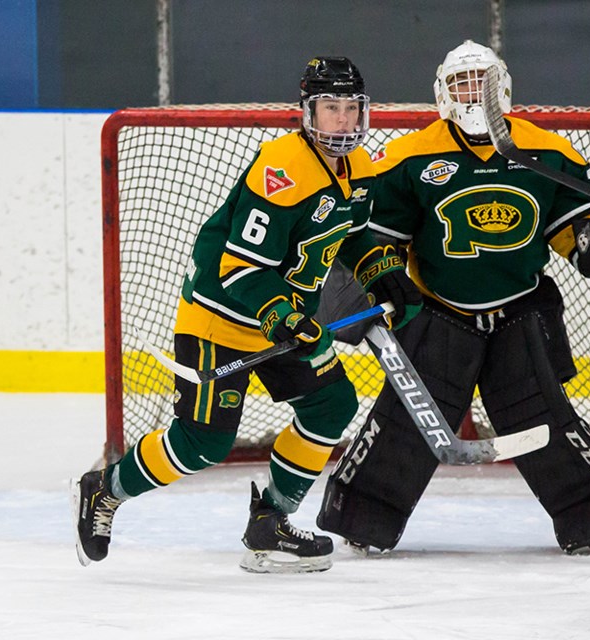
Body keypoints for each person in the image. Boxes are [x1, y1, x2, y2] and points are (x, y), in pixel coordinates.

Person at [315, 40, 590, 555]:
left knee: (542, 420)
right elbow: (377, 236)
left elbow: (574, 235)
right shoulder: (409, 155)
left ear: (502, 88)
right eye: (460, 83)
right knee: (407, 422)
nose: (470, 94)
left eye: (480, 82)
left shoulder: (548, 151)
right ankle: (361, 518)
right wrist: (383, 273)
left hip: (519, 311)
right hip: (439, 313)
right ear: (441, 92)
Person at [72, 57, 422, 574]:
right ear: (308, 112)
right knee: (202, 443)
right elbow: (238, 269)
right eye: (331, 109)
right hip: (223, 318)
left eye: (351, 109)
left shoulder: (361, 168)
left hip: (288, 320)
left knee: (330, 406)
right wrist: (283, 314)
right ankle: (105, 489)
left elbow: (354, 235)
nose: (343, 121)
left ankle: (271, 522)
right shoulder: (282, 170)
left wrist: (383, 270)